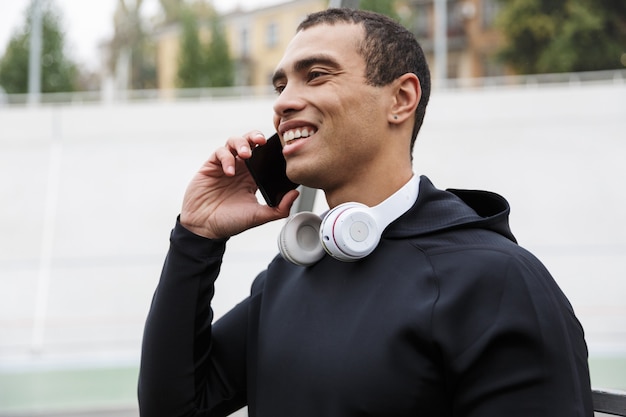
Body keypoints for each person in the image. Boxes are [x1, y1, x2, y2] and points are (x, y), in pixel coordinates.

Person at [138, 8, 593, 417]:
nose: (282, 103)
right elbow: (174, 407)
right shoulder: (284, 278)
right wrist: (197, 236)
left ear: (401, 99)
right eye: (280, 85)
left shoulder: (501, 281)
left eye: (315, 75)